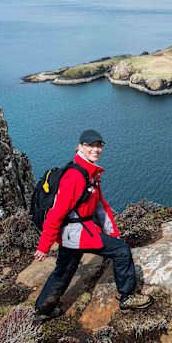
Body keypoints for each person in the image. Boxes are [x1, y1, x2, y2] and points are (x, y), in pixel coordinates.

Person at [34, 129, 153, 320]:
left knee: (64, 269)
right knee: (121, 251)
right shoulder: (76, 176)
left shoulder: (88, 173)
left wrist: (112, 231)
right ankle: (127, 296)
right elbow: (57, 213)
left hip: (70, 234)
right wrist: (44, 246)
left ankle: (43, 310)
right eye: (90, 145)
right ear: (80, 147)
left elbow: (99, 206)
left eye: (99, 146)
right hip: (77, 232)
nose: (95, 149)